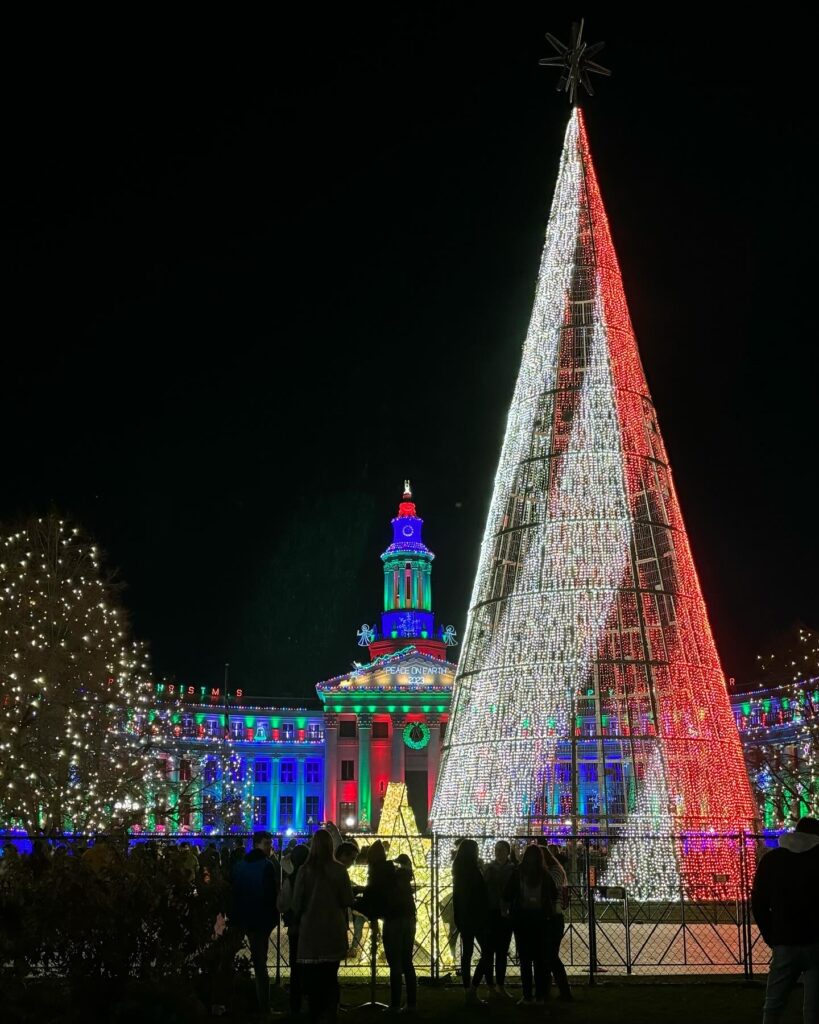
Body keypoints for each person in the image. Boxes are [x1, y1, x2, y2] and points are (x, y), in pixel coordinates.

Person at [751, 816, 819, 1024]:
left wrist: (771, 935)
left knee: (774, 1003)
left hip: (784, 939)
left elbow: (759, 901)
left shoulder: (772, 860)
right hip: (816, 940)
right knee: (814, 1008)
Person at [292, 828, 353, 1024]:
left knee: (313, 981)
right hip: (333, 930)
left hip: (310, 931)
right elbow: (347, 899)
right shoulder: (339, 870)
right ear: (331, 846)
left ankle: (314, 1014)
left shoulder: (304, 870)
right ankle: (330, 1015)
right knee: (330, 979)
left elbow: (296, 904)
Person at [231, 831, 280, 1018]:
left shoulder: (241, 865)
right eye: (267, 844)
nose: (270, 847)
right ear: (257, 844)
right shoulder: (267, 866)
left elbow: (235, 890)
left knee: (233, 959)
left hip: (243, 917)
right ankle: (264, 1007)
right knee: (261, 965)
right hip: (260, 920)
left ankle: (233, 1000)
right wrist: (272, 918)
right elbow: (270, 895)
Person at [505, 844, 557, 1005]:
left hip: (522, 919)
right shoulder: (545, 874)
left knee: (525, 960)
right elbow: (554, 895)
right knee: (540, 960)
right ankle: (540, 995)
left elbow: (508, 893)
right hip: (540, 919)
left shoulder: (518, 872)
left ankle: (527, 995)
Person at [452, 838, 494, 1004]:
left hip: (464, 918)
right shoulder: (473, 872)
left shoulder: (458, 871)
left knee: (467, 954)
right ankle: (473, 988)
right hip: (477, 918)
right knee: (487, 952)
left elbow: (458, 897)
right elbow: (479, 896)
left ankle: (467, 989)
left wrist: (459, 918)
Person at [381, 854, 417, 1012]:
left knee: (395, 963)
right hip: (409, 920)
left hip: (394, 921)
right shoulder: (405, 880)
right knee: (407, 962)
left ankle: (395, 1004)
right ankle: (411, 1003)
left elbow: (384, 901)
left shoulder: (389, 881)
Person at [279, 844, 309, 1018]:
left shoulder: (290, 879)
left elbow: (282, 904)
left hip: (296, 930)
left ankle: (295, 1006)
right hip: (311, 929)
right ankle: (311, 1004)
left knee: (296, 969)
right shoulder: (315, 879)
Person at [483, 840, 515, 999]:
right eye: (496, 849)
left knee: (502, 951)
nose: (498, 852)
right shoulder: (489, 868)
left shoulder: (513, 868)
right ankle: (490, 985)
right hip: (491, 912)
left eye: (501, 849)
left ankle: (500, 984)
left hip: (506, 913)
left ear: (507, 852)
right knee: (488, 951)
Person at [541, 844, 572, 1001]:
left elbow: (550, 888)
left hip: (554, 917)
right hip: (547, 916)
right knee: (547, 956)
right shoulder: (551, 870)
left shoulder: (555, 871)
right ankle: (546, 991)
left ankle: (564, 991)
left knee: (552, 956)